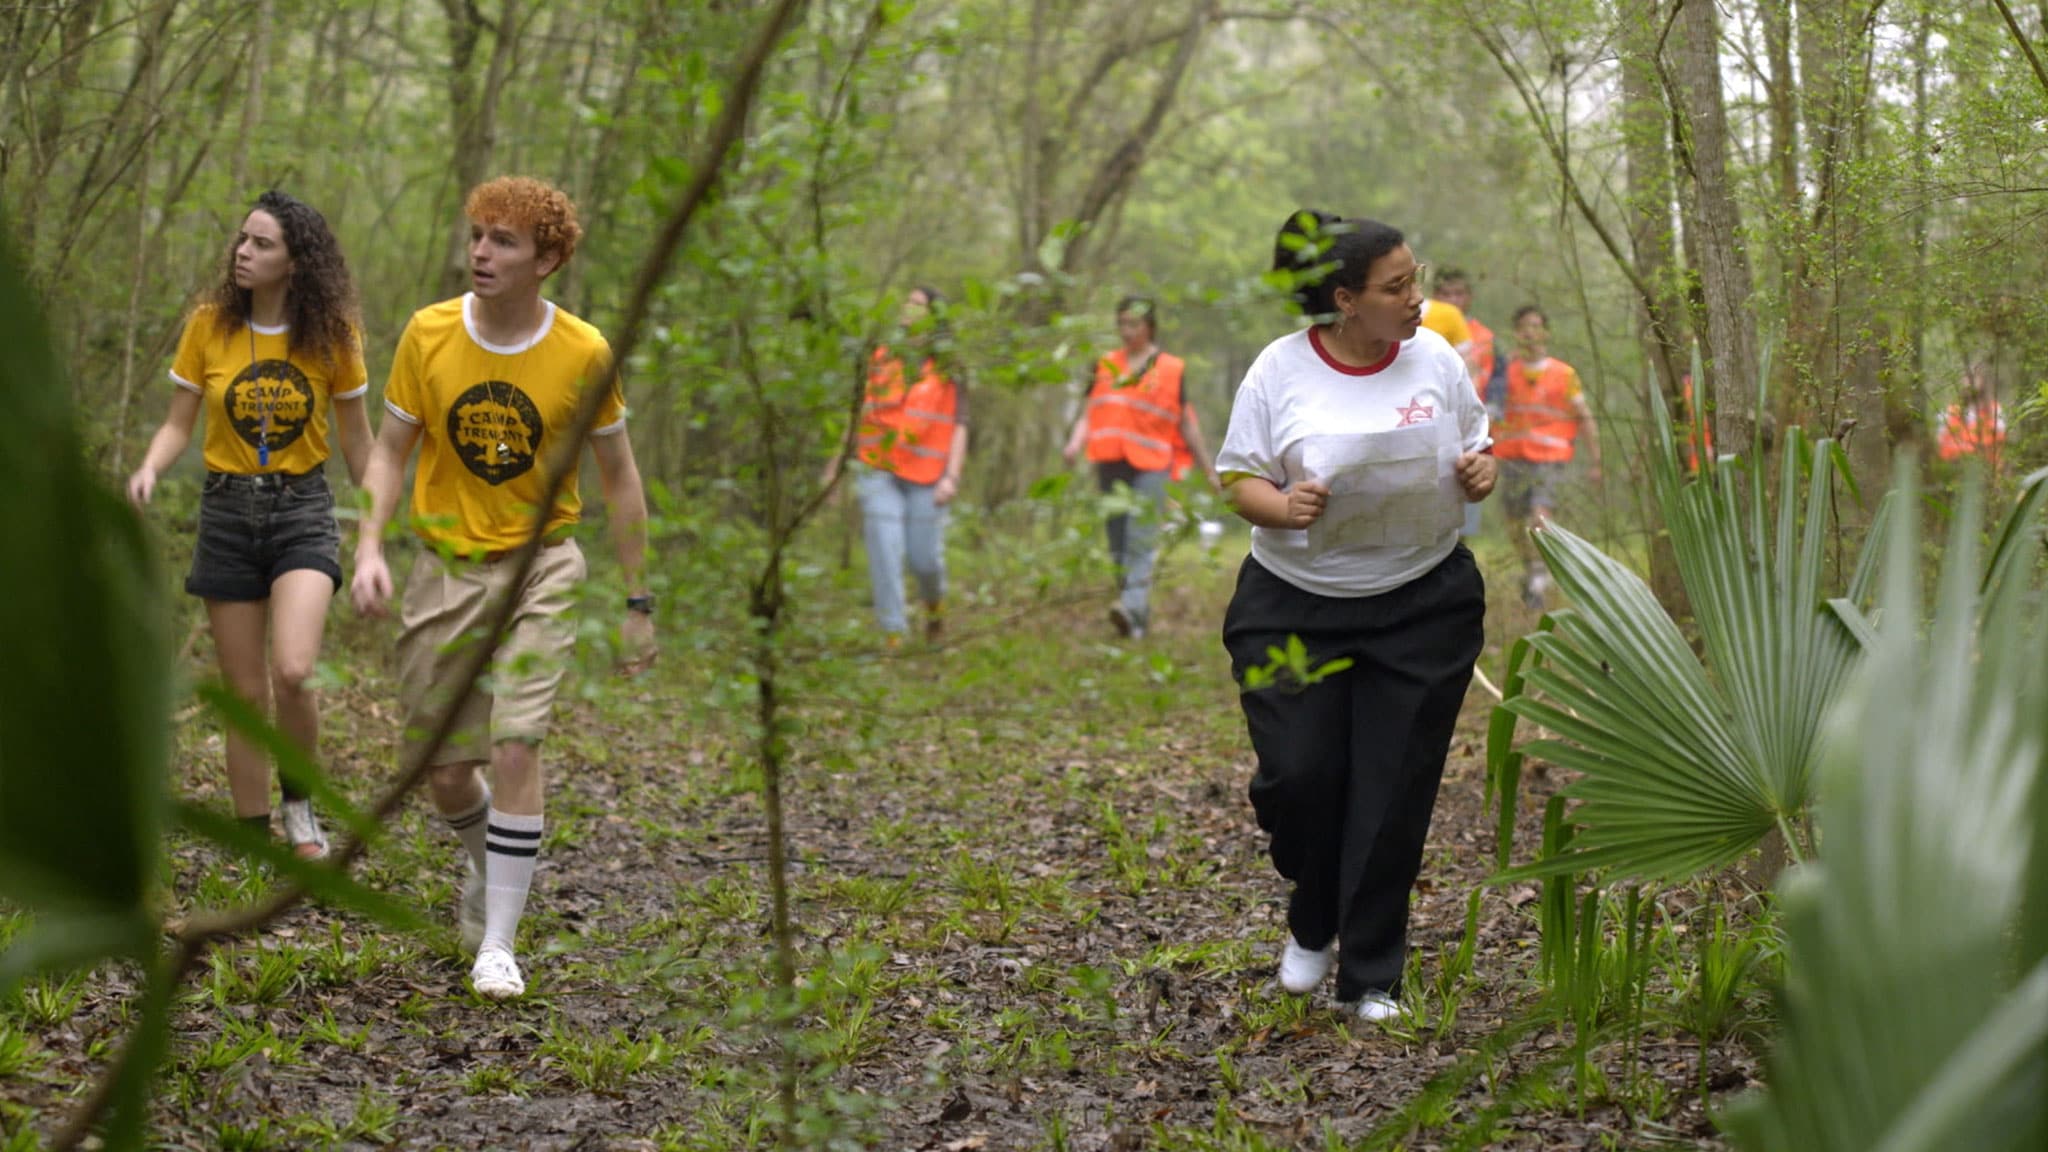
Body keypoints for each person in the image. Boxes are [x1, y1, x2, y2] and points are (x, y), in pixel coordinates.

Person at [351, 176, 655, 1000]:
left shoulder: (584, 353)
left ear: (547, 258)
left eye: (505, 241)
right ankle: (490, 863)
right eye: (478, 235)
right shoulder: (430, 333)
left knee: (518, 742)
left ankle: (498, 944)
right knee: (446, 772)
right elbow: (387, 452)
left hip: (541, 567)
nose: (481, 252)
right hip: (442, 569)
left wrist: (638, 601)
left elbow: (620, 479)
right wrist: (370, 543)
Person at [1218, 210, 1494, 1023]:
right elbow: (1238, 479)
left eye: (1416, 278)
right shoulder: (1280, 371)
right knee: (1299, 778)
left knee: (1392, 789)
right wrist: (1285, 506)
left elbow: (1477, 444)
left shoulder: (1436, 358)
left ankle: (1370, 976)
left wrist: (1480, 473)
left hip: (1422, 604)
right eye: (1397, 286)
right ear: (1346, 299)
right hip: (1296, 608)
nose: (1417, 298)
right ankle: (1312, 912)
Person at [126, 190, 372, 861]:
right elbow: (179, 421)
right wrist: (148, 468)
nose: (243, 252)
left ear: (296, 261)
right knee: (244, 690)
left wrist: (382, 520)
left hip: (302, 508)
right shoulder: (210, 324)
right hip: (227, 510)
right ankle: (248, 834)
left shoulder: (333, 337)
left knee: (292, 670)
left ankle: (300, 807)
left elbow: (358, 441)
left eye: (261, 244)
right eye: (242, 240)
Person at [1062, 296, 1221, 639]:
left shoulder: (1171, 368)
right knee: (1118, 543)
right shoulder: (1104, 363)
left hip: (1152, 465)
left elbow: (1186, 423)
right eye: (1121, 323)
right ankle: (1135, 616)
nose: (1126, 331)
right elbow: (1092, 409)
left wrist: (1209, 470)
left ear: (1149, 326)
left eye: (1133, 324)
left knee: (1140, 539)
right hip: (1108, 461)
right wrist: (1075, 442)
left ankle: (1129, 606)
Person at [823, 287, 969, 645]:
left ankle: (934, 608)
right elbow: (858, 413)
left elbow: (960, 424)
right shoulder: (881, 357)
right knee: (884, 547)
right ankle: (893, 635)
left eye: (917, 304)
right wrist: (835, 468)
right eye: (906, 301)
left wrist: (952, 476)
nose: (907, 307)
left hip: (927, 477)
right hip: (878, 469)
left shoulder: (950, 368)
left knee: (925, 560)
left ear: (935, 315)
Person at [1494, 305, 1599, 609]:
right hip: (1512, 457)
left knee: (1540, 516)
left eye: (1537, 326)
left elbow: (1585, 416)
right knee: (1514, 521)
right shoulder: (1505, 372)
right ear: (1516, 332)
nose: (1530, 332)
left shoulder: (1564, 374)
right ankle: (1532, 570)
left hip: (1551, 457)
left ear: (1546, 332)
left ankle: (1540, 577)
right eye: (1524, 326)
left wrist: (1596, 460)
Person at [1432, 269, 1503, 535]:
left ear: (1469, 297)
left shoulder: (1484, 336)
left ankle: (1461, 544)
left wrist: (1490, 416)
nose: (1452, 300)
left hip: (1470, 422)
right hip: (1428, 421)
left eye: (1458, 293)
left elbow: (1498, 377)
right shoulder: (1418, 323)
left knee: (1468, 480)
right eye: (1445, 293)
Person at [1937, 362, 2005, 469]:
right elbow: (1942, 442)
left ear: (1982, 381)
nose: (1970, 382)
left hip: (1986, 471)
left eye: (1974, 377)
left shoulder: (1995, 410)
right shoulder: (1951, 411)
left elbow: (1999, 443)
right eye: (1966, 377)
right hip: (1956, 470)